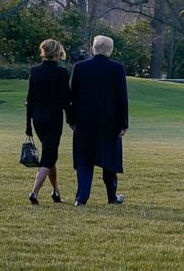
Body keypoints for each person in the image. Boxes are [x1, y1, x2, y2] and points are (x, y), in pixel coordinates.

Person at [68, 35, 129, 206]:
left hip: (84, 121)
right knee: (109, 159)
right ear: (110, 49)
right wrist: (123, 123)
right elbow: (121, 98)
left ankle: (81, 198)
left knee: (84, 160)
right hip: (109, 122)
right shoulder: (117, 69)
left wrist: (71, 120)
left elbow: (72, 96)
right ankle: (111, 196)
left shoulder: (80, 67)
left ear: (93, 48)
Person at [25, 39, 72, 205]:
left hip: (37, 118)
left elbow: (29, 100)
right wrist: (71, 120)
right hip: (53, 118)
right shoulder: (61, 72)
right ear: (58, 52)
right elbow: (66, 100)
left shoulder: (35, 71)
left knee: (49, 153)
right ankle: (34, 192)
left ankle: (56, 191)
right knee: (49, 155)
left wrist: (28, 125)